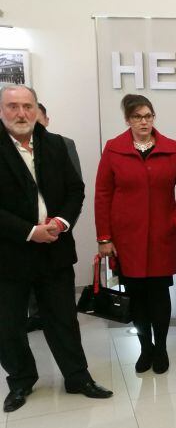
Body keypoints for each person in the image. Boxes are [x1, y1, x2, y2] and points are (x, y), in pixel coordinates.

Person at [0, 85, 113, 413]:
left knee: (63, 319)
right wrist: (30, 231)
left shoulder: (54, 144)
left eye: (27, 106)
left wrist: (61, 222)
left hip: (54, 249)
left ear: (36, 109)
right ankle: (21, 380)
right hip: (9, 254)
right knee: (8, 324)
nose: (21, 113)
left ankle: (77, 377)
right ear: (2, 110)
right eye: (13, 107)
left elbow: (75, 188)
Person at [94, 94, 176, 375]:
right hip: (127, 240)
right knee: (136, 297)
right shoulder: (113, 149)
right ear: (128, 120)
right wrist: (104, 237)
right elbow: (103, 194)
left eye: (148, 116)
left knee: (159, 295)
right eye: (137, 117)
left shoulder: (172, 148)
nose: (144, 121)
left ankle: (161, 348)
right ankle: (145, 348)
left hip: (162, 236)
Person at [25, 102, 83, 333]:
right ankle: (35, 315)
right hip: (23, 234)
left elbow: (76, 188)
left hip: (57, 232)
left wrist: (62, 225)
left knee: (60, 298)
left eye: (37, 120)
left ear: (46, 121)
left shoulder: (62, 145)